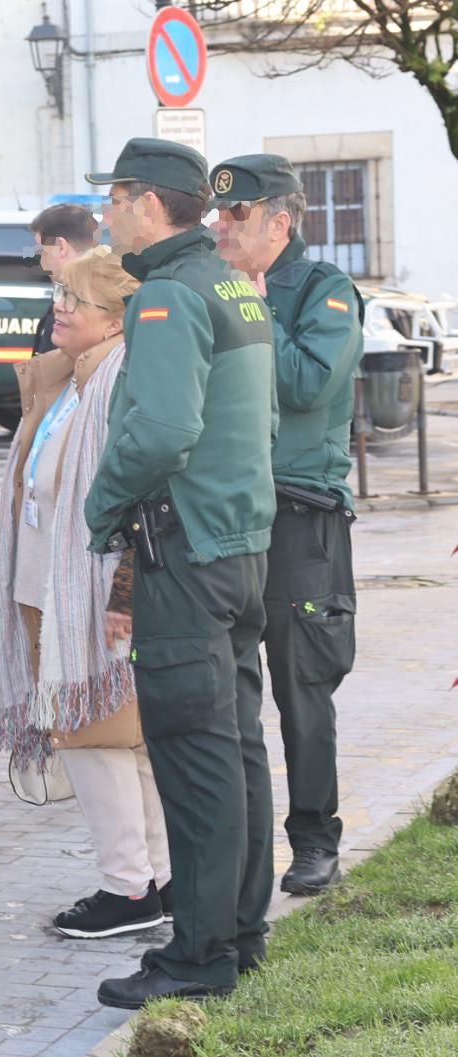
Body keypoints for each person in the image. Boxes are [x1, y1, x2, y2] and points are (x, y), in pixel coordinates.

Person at [82, 138, 278, 1009]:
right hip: (240, 547)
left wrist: (102, 504)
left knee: (195, 760)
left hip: (186, 553)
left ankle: (199, 956)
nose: (105, 215)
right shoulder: (232, 282)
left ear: (150, 203)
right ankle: (239, 932)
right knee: (235, 749)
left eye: (114, 198)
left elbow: (161, 432)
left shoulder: (166, 292)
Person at [0, 246, 173, 939]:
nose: (58, 308)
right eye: (59, 294)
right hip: (52, 585)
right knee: (121, 740)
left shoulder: (118, 377)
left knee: (97, 735)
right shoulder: (73, 377)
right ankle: (156, 879)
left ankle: (127, 889)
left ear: (116, 317)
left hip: (94, 591)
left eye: (76, 299)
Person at [209, 153, 364, 896]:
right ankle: (235, 846)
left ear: (281, 220)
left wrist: (253, 307)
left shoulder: (323, 290)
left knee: (302, 688)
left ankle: (314, 839)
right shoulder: (214, 285)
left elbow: (305, 381)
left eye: (236, 215)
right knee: (227, 689)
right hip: (233, 512)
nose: (221, 226)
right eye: (217, 214)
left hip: (302, 515)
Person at [30, 203, 102, 355]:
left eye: (41, 250)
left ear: (61, 247)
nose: (41, 259)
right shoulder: (99, 292)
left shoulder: (85, 303)